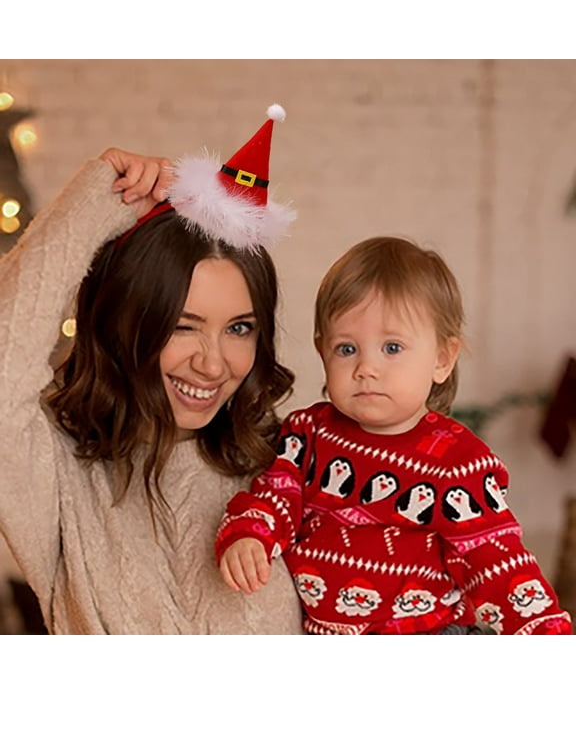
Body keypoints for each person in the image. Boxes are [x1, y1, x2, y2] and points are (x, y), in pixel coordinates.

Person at [0, 104, 303, 634]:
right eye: (182, 326)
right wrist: (99, 199)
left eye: (239, 328)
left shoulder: (290, 473)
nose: (213, 363)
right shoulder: (58, 477)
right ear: (125, 324)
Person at [216, 236, 573, 634]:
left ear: (442, 358)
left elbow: (496, 561)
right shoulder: (309, 434)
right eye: (347, 349)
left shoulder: (455, 460)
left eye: (392, 347)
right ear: (322, 353)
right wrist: (251, 533)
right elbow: (276, 492)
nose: (367, 367)